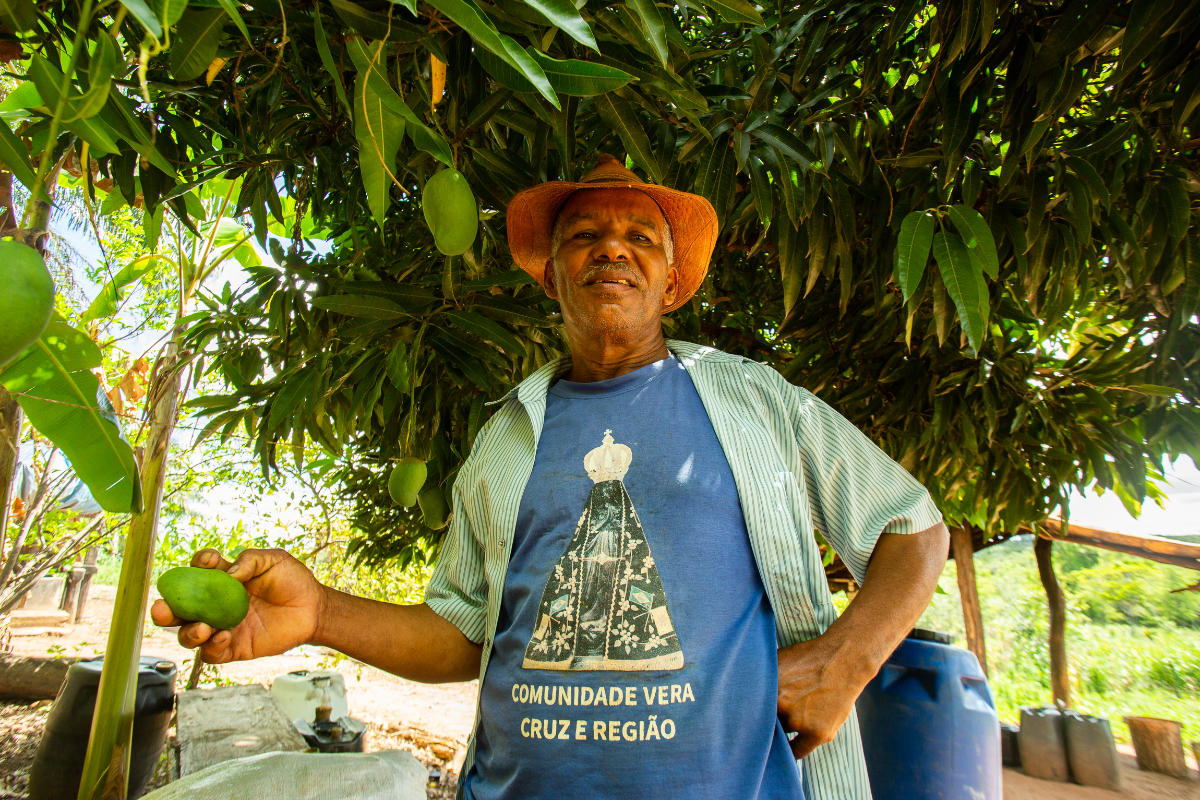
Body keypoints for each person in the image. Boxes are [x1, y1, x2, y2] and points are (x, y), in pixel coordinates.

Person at [152, 155, 949, 800]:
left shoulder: (756, 401)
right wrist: (320, 611)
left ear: (672, 283)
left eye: (642, 236)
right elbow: (467, 632)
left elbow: (912, 526)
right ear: (551, 275)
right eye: (584, 235)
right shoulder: (506, 437)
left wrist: (844, 663)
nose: (613, 247)